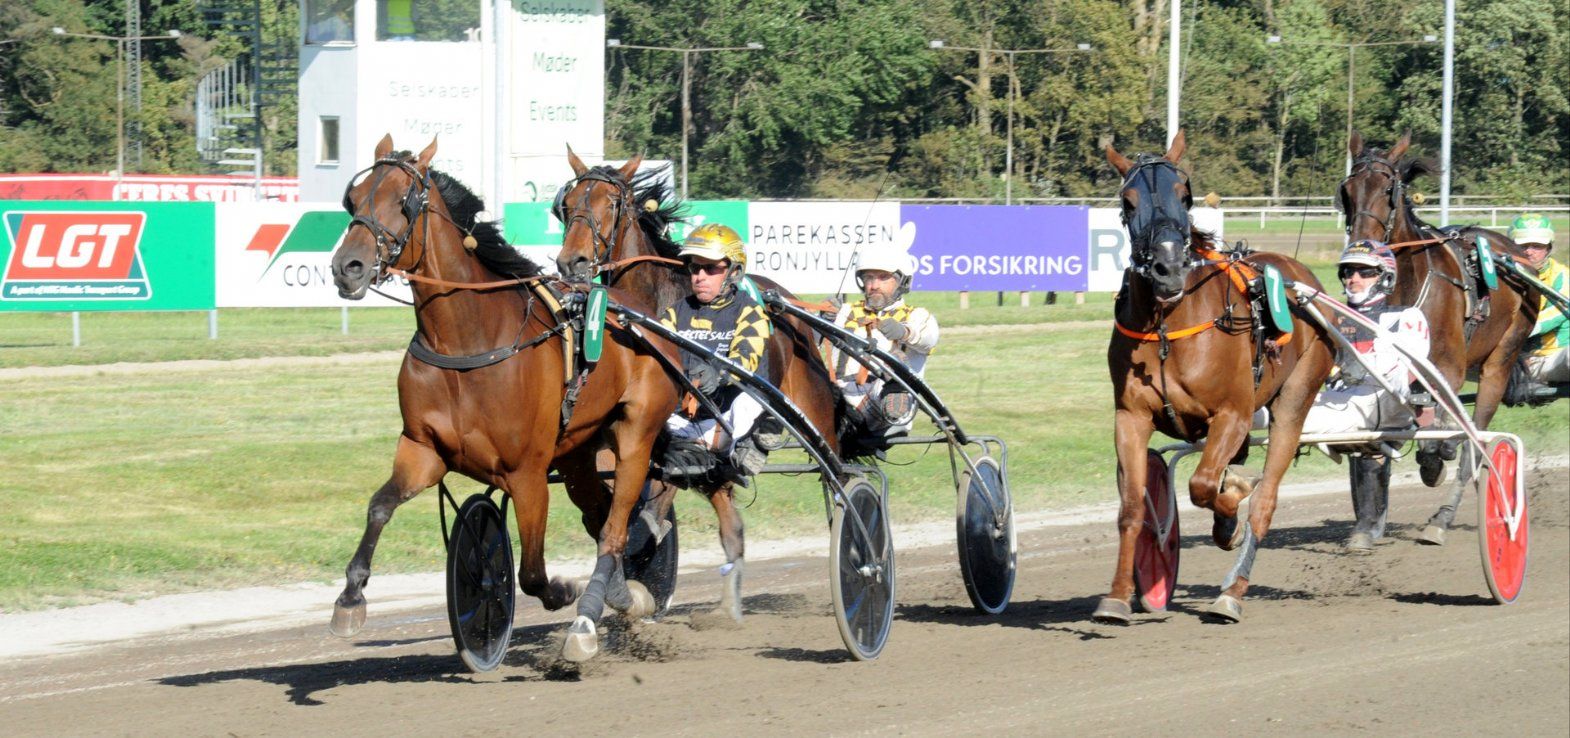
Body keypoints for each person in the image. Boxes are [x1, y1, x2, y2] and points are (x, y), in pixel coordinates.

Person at [1301, 239, 1431, 553]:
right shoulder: (1330, 317)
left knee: (1394, 377)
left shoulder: (1407, 316)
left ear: (1385, 277)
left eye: (1364, 272)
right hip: (1347, 404)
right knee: (1281, 411)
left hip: (1391, 399)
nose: (1353, 279)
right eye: (1348, 272)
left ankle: (1431, 440)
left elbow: (1409, 368)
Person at [659, 223, 773, 478]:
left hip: (729, 416)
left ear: (734, 272)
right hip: (683, 417)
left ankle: (748, 443)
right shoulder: (674, 313)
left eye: (711, 268)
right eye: (694, 268)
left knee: (748, 403)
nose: (699, 276)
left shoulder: (750, 312)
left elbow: (746, 360)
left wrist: (718, 375)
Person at [828, 245, 940, 438]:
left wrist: (904, 332)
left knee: (894, 361)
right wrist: (821, 319)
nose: (874, 285)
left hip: (882, 409)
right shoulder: (844, 311)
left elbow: (928, 339)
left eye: (883, 278)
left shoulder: (916, 315)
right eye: (869, 278)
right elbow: (807, 344)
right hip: (836, 402)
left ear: (902, 281)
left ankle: (896, 390)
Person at [1510, 214, 1568, 386]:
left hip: (1552, 359)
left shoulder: (1563, 276)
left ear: (1548, 248)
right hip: (1509, 361)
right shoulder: (1503, 276)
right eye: (1523, 246)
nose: (1529, 251)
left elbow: (1549, 320)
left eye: (1537, 246)